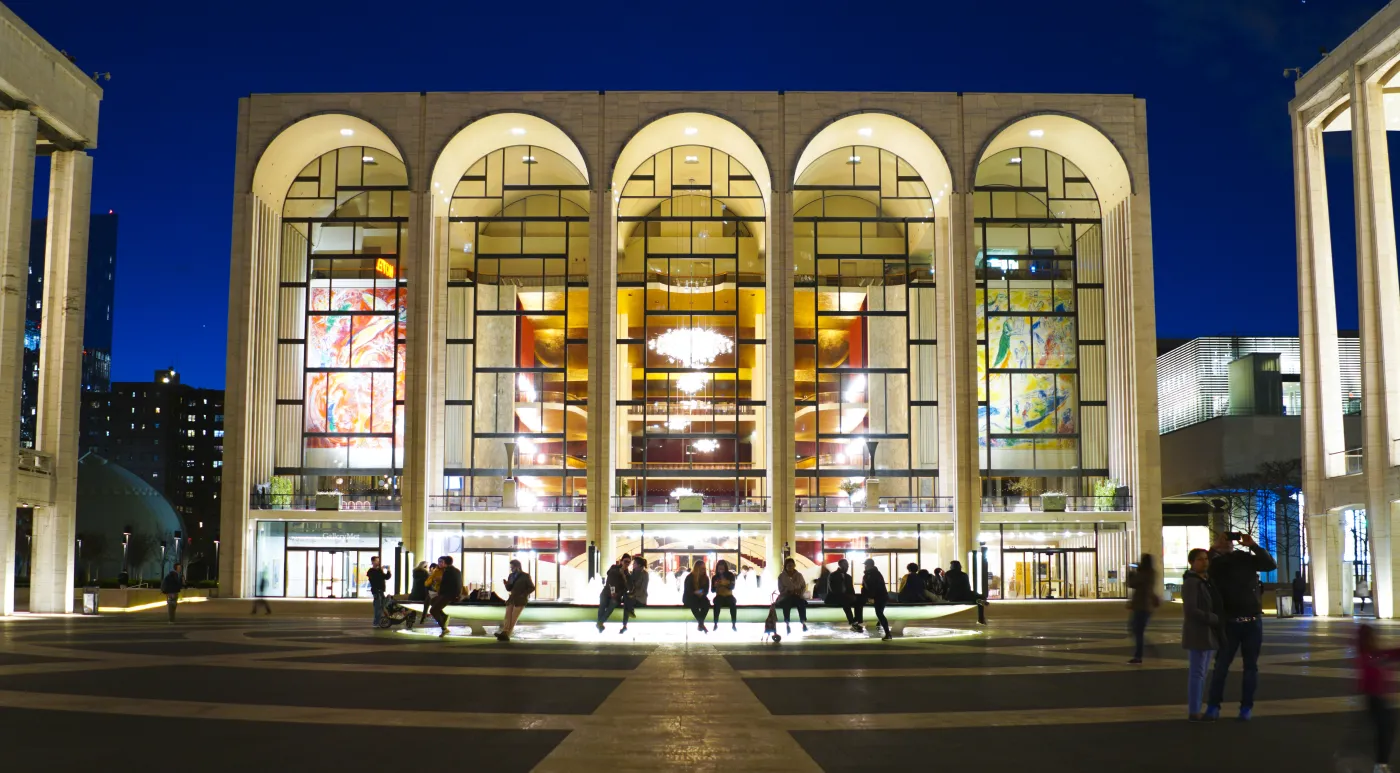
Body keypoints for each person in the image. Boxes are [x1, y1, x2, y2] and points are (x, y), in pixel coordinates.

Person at [1204, 531, 1276, 721]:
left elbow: (1270, 564)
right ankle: (1213, 706)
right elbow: (1203, 567)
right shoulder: (1216, 564)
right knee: (1221, 666)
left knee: (1250, 667)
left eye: (1230, 540)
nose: (1228, 542)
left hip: (1252, 622)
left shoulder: (1246, 558)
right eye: (1224, 539)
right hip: (1229, 623)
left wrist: (1252, 545)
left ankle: (1246, 708)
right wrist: (1214, 549)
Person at [1181, 548, 1221, 721]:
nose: (1204, 562)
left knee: (1202, 672)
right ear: (1192, 562)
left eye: (1206, 559)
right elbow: (1190, 609)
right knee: (1198, 672)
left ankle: (1196, 708)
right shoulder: (1192, 582)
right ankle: (1194, 709)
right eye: (1200, 559)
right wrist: (1211, 618)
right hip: (1198, 632)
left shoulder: (1205, 581)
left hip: (1207, 632)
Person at [1357, 624, 1400, 771]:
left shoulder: (1373, 654)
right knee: (1385, 731)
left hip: (1381, 699)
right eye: (1372, 636)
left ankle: (1381, 763)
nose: (1376, 638)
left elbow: (1393, 653)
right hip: (1375, 700)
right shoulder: (1367, 656)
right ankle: (1380, 765)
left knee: (1386, 730)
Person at [1126, 554, 1159, 664]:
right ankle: (1142, 650)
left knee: (1137, 631)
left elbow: (1132, 583)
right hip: (1145, 606)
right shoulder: (1151, 573)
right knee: (1136, 630)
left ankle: (1139, 655)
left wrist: (1131, 574)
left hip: (1141, 606)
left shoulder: (1144, 574)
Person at [497, 559, 534, 641]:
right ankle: (505, 632)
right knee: (507, 616)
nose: (511, 569)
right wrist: (506, 584)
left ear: (517, 567)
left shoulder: (525, 576)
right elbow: (509, 589)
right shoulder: (511, 576)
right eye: (511, 567)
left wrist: (523, 594)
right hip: (512, 598)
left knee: (513, 618)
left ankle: (506, 634)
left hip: (520, 600)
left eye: (512, 567)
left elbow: (532, 587)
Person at [824, 558, 864, 632]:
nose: (847, 567)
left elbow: (851, 590)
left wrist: (853, 596)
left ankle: (858, 620)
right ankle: (852, 622)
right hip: (834, 597)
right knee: (844, 600)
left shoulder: (848, 577)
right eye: (846, 565)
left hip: (846, 597)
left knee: (859, 599)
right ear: (840, 565)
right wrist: (847, 596)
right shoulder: (832, 575)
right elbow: (833, 590)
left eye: (848, 565)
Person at [429, 555, 463, 638]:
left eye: (441, 562)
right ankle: (444, 616)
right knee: (432, 601)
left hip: (449, 595)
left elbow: (448, 584)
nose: (439, 563)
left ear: (446, 563)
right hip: (450, 594)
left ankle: (444, 628)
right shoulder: (454, 570)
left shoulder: (448, 571)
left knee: (433, 610)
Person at [597, 553, 632, 632]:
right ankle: (600, 623)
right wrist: (620, 572)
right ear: (621, 561)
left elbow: (626, 588)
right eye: (625, 561)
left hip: (616, 596)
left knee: (613, 603)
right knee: (602, 604)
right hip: (607, 592)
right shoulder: (614, 568)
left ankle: (600, 623)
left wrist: (623, 575)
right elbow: (610, 576)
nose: (627, 564)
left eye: (629, 562)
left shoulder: (627, 575)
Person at [775, 557, 809, 634]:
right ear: (785, 566)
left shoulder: (799, 575)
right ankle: (787, 623)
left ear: (794, 565)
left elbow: (803, 586)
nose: (790, 567)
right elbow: (780, 589)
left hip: (797, 596)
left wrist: (799, 592)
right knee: (786, 604)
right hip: (786, 596)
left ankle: (803, 622)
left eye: (791, 565)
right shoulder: (782, 576)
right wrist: (788, 591)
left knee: (801, 603)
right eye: (788, 565)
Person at [861, 558, 892, 640]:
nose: (865, 566)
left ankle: (888, 633)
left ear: (870, 565)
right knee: (879, 613)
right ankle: (886, 631)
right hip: (879, 596)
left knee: (879, 613)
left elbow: (873, 587)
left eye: (866, 565)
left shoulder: (873, 574)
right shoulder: (870, 574)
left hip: (879, 597)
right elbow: (865, 587)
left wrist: (871, 597)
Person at [621, 555, 648, 633]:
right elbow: (630, 587)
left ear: (639, 565)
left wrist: (633, 594)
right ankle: (626, 622)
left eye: (634, 563)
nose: (632, 565)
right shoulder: (633, 573)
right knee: (626, 598)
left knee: (626, 600)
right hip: (633, 598)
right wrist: (625, 576)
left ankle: (625, 625)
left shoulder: (644, 574)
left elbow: (643, 589)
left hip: (640, 599)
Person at [684, 558, 711, 632]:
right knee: (693, 602)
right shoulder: (690, 577)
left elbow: (706, 590)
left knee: (706, 603)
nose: (704, 570)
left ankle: (700, 624)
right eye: (702, 568)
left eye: (704, 568)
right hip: (690, 597)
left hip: (701, 597)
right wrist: (695, 592)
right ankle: (701, 624)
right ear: (697, 568)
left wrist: (700, 592)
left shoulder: (705, 578)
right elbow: (688, 590)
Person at [711, 559, 739, 631]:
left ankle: (733, 624)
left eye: (722, 568)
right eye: (719, 568)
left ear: (725, 568)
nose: (721, 569)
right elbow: (712, 590)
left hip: (728, 595)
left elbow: (732, 587)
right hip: (719, 595)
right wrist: (716, 586)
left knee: (733, 603)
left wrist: (725, 583)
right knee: (716, 604)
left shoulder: (730, 575)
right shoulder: (714, 577)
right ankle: (715, 623)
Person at [365, 555, 391, 628]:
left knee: (383, 605)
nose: (378, 562)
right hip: (376, 591)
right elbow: (376, 578)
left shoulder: (379, 570)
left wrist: (388, 570)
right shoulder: (371, 571)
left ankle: (379, 621)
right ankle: (376, 622)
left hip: (381, 591)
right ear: (373, 562)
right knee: (378, 607)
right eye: (377, 561)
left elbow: (386, 577)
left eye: (378, 561)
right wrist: (380, 570)